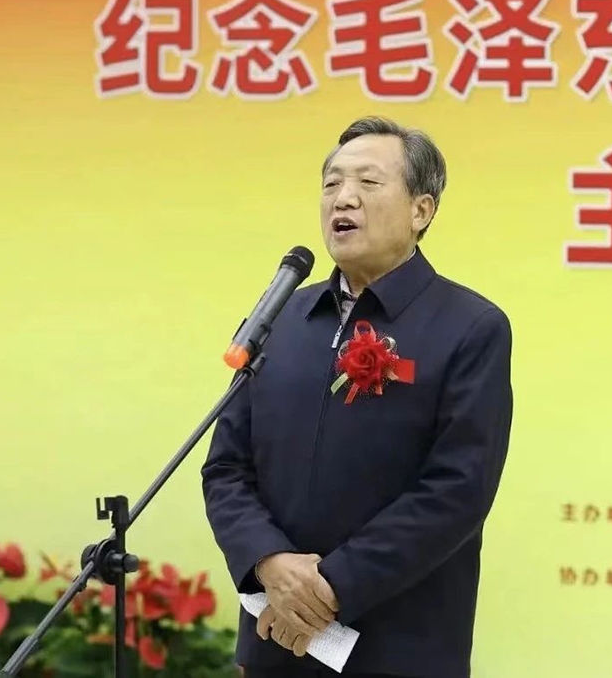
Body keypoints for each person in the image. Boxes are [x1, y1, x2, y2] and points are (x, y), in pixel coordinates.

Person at [201, 116, 513, 678]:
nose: (343, 198)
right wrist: (269, 562)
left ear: (422, 210)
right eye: (331, 184)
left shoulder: (471, 327)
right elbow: (226, 466)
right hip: (275, 639)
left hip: (399, 647)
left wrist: (330, 587)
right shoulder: (280, 319)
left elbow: (457, 491)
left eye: (368, 183)